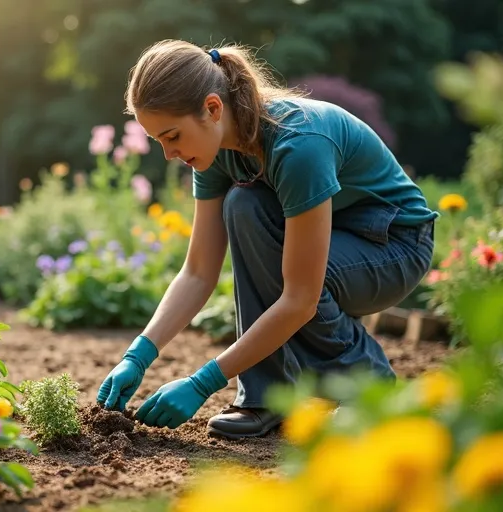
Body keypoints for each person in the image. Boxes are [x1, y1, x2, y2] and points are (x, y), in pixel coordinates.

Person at [96, 39, 436, 440]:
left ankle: (367, 388)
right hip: (340, 238)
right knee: (243, 204)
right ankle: (265, 397)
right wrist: (138, 355)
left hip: (394, 246)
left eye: (172, 136)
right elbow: (198, 272)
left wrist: (204, 381)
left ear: (212, 109)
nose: (169, 153)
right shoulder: (213, 149)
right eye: (159, 142)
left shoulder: (299, 145)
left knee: (304, 281)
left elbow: (299, 299)